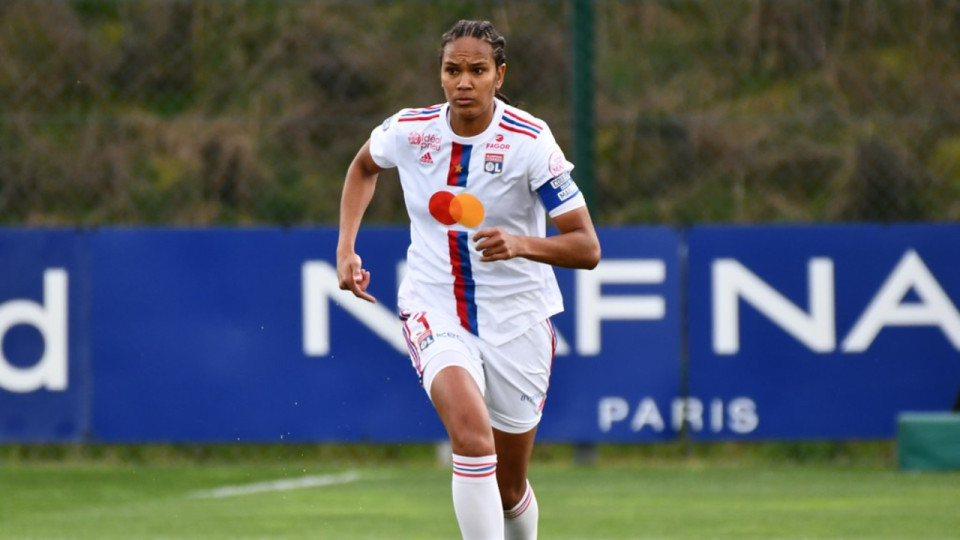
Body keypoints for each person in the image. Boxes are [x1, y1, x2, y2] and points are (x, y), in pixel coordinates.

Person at [337, 19, 601, 539]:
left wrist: (523, 243)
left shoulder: (530, 141)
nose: (464, 82)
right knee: (472, 438)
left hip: (518, 321)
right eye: (452, 69)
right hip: (435, 309)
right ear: (440, 74)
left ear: (499, 76)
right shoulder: (411, 132)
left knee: (508, 488)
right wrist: (345, 248)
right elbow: (364, 167)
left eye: (477, 70)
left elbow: (587, 247)